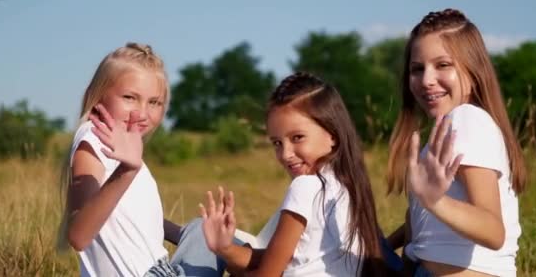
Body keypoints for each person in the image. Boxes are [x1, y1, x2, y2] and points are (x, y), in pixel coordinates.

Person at [200, 72, 403, 276]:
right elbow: (286, 257)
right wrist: (224, 249)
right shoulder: (347, 188)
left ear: (332, 134)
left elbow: (268, 273)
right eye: (277, 143)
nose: (286, 154)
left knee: (200, 239)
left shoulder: (304, 187)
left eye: (297, 137)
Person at [58, 42, 225, 276]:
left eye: (154, 102)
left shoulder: (123, 147)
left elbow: (127, 215)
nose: (142, 113)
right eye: (130, 97)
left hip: (162, 269)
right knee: (239, 250)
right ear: (98, 95)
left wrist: (185, 235)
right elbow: (78, 236)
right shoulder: (93, 140)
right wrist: (127, 170)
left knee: (207, 232)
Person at [386, 9, 527, 276]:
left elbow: (492, 230)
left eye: (443, 65)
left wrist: (435, 201)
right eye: (417, 69)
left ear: (473, 73)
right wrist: (383, 246)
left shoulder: (466, 119)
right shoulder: (448, 129)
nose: (427, 80)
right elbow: (427, 222)